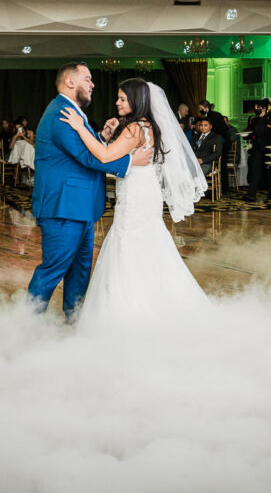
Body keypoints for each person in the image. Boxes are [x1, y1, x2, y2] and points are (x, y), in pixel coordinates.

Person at [56, 76, 207, 327]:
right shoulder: (149, 126)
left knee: (127, 242)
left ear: (137, 100)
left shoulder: (135, 128)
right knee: (150, 242)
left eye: (122, 99)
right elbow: (119, 155)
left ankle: (128, 313)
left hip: (136, 194)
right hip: (146, 192)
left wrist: (80, 128)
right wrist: (108, 135)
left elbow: (105, 156)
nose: (117, 102)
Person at [26, 63, 153, 319]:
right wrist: (129, 161)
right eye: (88, 78)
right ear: (70, 82)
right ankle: (25, 324)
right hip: (64, 206)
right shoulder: (61, 112)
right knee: (53, 268)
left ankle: (74, 322)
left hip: (79, 206)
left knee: (80, 269)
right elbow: (86, 156)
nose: (93, 84)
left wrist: (101, 136)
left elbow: (78, 149)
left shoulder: (71, 111)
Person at [244, 98, 271, 202]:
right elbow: (251, 133)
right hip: (257, 149)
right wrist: (246, 135)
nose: (256, 109)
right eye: (255, 107)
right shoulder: (254, 120)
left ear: (264, 108)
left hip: (268, 148)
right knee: (255, 171)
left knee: (269, 172)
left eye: (257, 107)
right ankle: (251, 194)